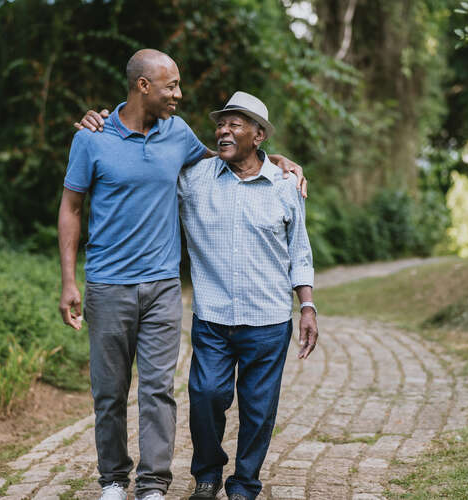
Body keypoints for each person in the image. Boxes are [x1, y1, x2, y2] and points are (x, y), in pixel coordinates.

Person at [59, 49, 304, 500]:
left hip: (163, 287)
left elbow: (228, 158)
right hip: (107, 285)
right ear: (142, 86)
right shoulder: (91, 139)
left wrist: (277, 160)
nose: (179, 93)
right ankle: (113, 479)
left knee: (158, 391)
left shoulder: (178, 134)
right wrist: (70, 281)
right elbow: (71, 207)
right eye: (170, 85)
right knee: (109, 393)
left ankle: (153, 485)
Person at [178, 92, 318, 500]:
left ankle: (244, 485)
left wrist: (306, 305)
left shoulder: (285, 186)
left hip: (269, 319)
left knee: (258, 411)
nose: (223, 130)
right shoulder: (193, 180)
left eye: (235, 124)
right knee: (205, 396)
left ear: (258, 136)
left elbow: (300, 252)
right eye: (221, 123)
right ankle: (207, 475)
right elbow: (145, 167)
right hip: (213, 317)